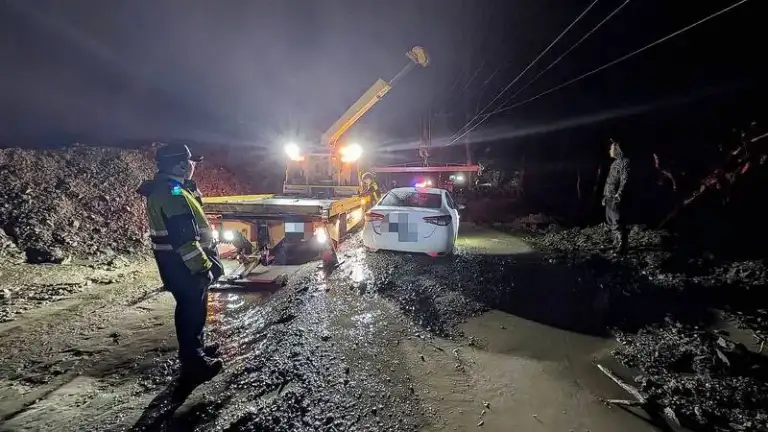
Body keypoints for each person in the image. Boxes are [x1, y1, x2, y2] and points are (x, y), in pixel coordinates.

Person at [137, 143, 224, 383]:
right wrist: (202, 267)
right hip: (183, 265)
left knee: (195, 308)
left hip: (179, 263)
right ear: (181, 165)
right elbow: (185, 239)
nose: (193, 166)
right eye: (191, 162)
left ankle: (197, 350)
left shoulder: (173, 189)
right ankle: (193, 364)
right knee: (190, 311)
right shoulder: (171, 194)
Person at [602, 139, 630, 255]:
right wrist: (605, 196)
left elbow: (625, 180)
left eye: (612, 148)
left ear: (617, 149)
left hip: (615, 197)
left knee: (618, 222)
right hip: (609, 196)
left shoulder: (625, 162)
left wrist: (619, 194)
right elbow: (610, 181)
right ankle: (617, 242)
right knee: (611, 221)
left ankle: (622, 246)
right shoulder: (614, 163)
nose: (610, 150)